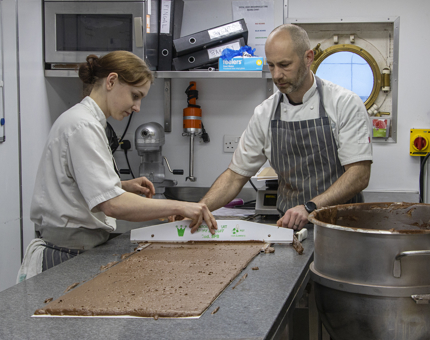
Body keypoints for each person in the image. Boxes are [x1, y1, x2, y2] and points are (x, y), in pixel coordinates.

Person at [17, 51, 216, 282]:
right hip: (67, 254)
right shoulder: (83, 126)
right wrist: (180, 207)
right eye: (135, 95)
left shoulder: (85, 121)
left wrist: (121, 185)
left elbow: (73, 182)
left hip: (76, 248)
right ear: (111, 81)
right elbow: (112, 205)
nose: (137, 107)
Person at [197, 24, 372, 231]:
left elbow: (359, 174)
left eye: (284, 65)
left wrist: (310, 207)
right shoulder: (265, 113)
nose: (277, 75)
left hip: (342, 228)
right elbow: (235, 177)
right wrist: (198, 208)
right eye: (271, 66)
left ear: (308, 58)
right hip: (289, 229)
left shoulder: (344, 103)